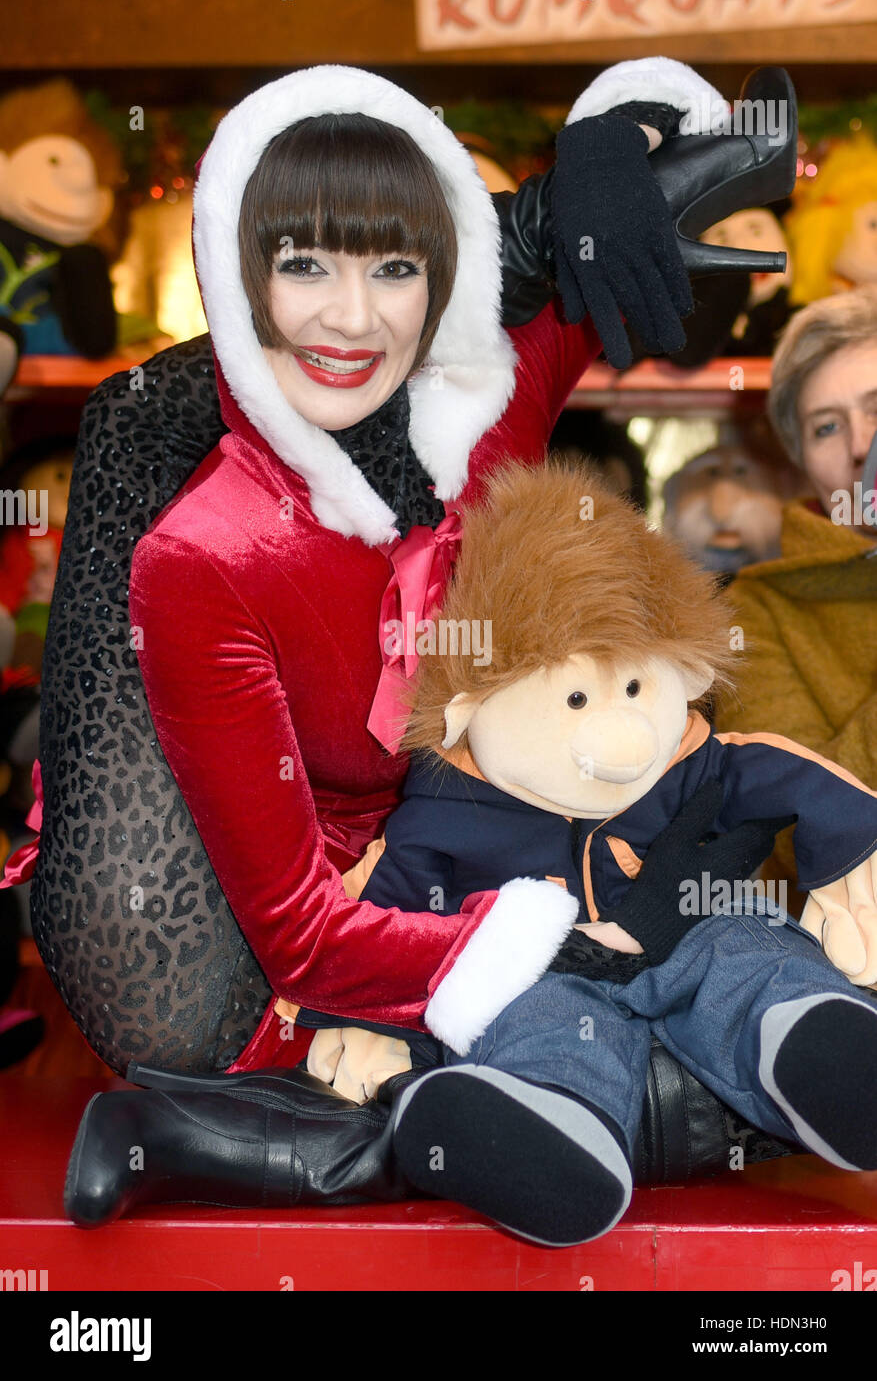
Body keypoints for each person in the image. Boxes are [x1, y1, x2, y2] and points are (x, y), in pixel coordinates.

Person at [13, 62, 803, 1227]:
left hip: (505, 856)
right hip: (282, 937)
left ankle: (361, 1129)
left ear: (444, 279)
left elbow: (684, 161)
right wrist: (543, 948)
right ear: (241, 280)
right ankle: (378, 1109)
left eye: (395, 267)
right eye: (303, 266)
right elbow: (299, 931)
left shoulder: (484, 395)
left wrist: (600, 142)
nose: (353, 316)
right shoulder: (202, 555)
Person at [715, 286, 877, 985]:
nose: (861, 446)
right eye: (824, 427)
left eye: (876, 408)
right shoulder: (759, 607)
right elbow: (790, 838)